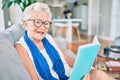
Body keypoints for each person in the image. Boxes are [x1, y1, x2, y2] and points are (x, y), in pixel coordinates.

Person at [15, 2, 116, 80]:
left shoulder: (48, 38)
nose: (42, 27)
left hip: (70, 74)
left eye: (46, 23)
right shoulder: (21, 47)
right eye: (37, 22)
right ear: (25, 24)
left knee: (98, 73)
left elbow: (66, 59)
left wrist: (83, 67)